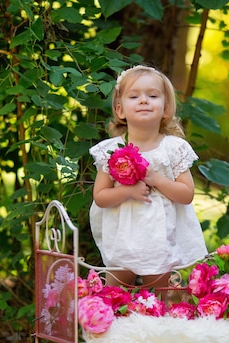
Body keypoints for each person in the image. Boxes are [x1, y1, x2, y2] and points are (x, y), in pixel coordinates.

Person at [89, 65, 208, 290]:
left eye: (152, 95)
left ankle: (164, 321)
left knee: (165, 291)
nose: (144, 100)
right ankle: (113, 321)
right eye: (134, 96)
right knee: (116, 290)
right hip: (123, 232)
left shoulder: (173, 148)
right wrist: (127, 191)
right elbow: (101, 197)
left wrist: (158, 180)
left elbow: (187, 194)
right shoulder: (111, 150)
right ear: (120, 109)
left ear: (166, 108)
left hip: (162, 236)